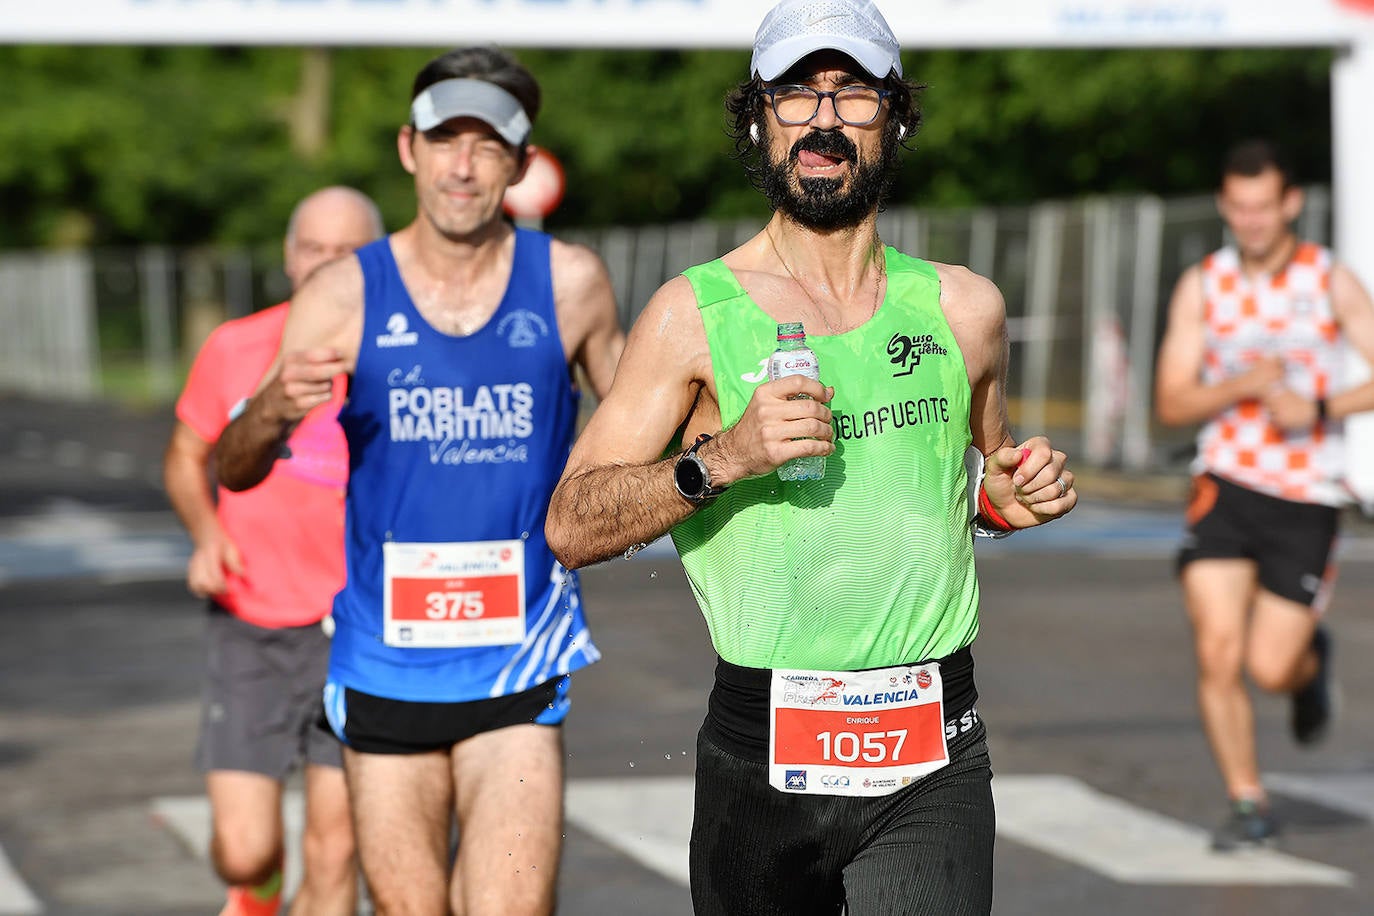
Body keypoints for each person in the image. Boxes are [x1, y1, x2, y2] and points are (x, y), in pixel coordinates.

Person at [545, 1, 1076, 912]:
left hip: (931, 744)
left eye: (853, 94)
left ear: (896, 117)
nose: (823, 120)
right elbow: (569, 524)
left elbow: (981, 482)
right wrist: (721, 458)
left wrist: (1009, 499)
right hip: (763, 751)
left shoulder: (965, 309)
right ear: (759, 117)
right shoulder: (691, 315)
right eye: (796, 93)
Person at [213, 46, 624, 916]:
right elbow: (234, 467)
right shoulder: (342, 295)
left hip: (520, 663)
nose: (463, 166)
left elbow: (644, 430)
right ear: (410, 148)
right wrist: (269, 412)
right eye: (445, 141)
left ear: (521, 162)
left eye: (487, 145)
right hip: (384, 668)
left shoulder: (572, 284)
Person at [163, 185, 383, 916]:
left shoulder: (393, 355)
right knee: (246, 847)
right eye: (313, 248)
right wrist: (206, 535)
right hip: (249, 622)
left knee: (336, 850)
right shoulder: (236, 347)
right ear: (289, 259)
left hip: (354, 632)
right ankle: (256, 889)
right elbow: (185, 455)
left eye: (346, 250)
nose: (327, 263)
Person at [1154, 138, 1374, 851]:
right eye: (1238, 207)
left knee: (1270, 666)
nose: (1251, 222)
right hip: (1225, 485)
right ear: (1225, 204)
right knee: (1217, 652)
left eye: (1264, 208)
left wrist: (1318, 408)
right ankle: (1248, 801)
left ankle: (1312, 664)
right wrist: (1239, 387)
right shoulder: (1204, 285)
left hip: (1307, 494)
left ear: (1290, 204)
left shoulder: (1329, 281)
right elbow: (1172, 400)